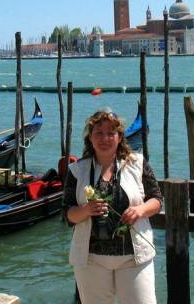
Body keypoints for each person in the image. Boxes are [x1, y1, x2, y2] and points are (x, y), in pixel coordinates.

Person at [62, 109, 162, 304]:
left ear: (119, 137)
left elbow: (157, 200)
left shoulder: (138, 164)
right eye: (99, 133)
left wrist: (139, 210)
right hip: (91, 259)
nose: (105, 138)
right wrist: (86, 210)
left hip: (134, 258)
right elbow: (68, 214)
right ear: (90, 137)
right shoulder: (77, 170)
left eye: (110, 133)